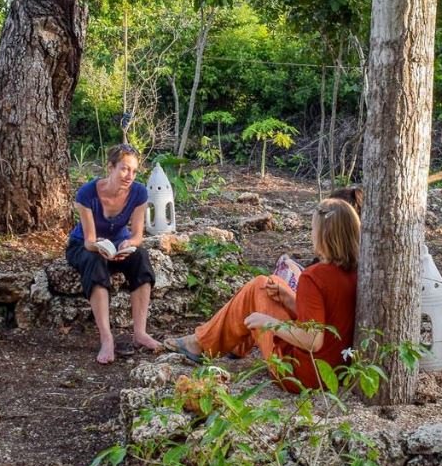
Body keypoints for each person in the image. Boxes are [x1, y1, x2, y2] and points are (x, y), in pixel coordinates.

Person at [166, 197, 360, 392]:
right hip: (335, 372)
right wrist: (290, 299)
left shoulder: (314, 276)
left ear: (323, 235)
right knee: (272, 284)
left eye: (313, 230)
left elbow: (313, 341)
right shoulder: (357, 272)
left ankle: (203, 343)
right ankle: (232, 343)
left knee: (258, 286)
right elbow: (328, 318)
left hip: (299, 376)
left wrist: (268, 322)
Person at [64, 144, 161, 364]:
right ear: (111, 167)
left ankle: (140, 332)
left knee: (141, 258)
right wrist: (100, 246)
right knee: (95, 261)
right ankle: (107, 339)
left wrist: (128, 244)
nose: (130, 176)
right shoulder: (87, 193)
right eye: (125, 169)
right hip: (85, 246)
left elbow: (137, 235)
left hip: (119, 244)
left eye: (134, 171)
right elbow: (89, 240)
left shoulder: (139, 193)